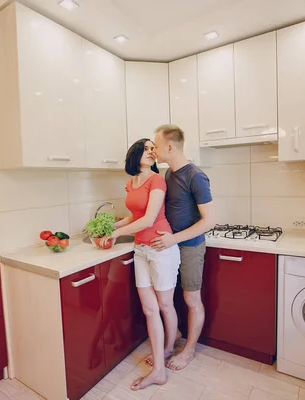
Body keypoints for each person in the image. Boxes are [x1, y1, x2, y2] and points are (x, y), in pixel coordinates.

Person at [101, 138, 181, 390]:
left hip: (160, 249)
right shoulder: (131, 182)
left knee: (165, 305)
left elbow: (147, 220)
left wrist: (114, 236)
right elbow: (133, 216)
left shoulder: (157, 180)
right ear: (135, 153)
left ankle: (168, 348)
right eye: (146, 149)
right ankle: (159, 366)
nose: (151, 152)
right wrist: (109, 227)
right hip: (141, 250)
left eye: (152, 149)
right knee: (149, 310)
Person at [150, 124, 216, 371]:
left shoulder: (195, 176)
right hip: (171, 247)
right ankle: (173, 339)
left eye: (156, 146)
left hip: (189, 246)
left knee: (191, 299)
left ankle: (188, 351)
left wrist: (173, 239)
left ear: (170, 146)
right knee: (167, 298)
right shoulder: (168, 174)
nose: (154, 151)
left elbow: (210, 220)